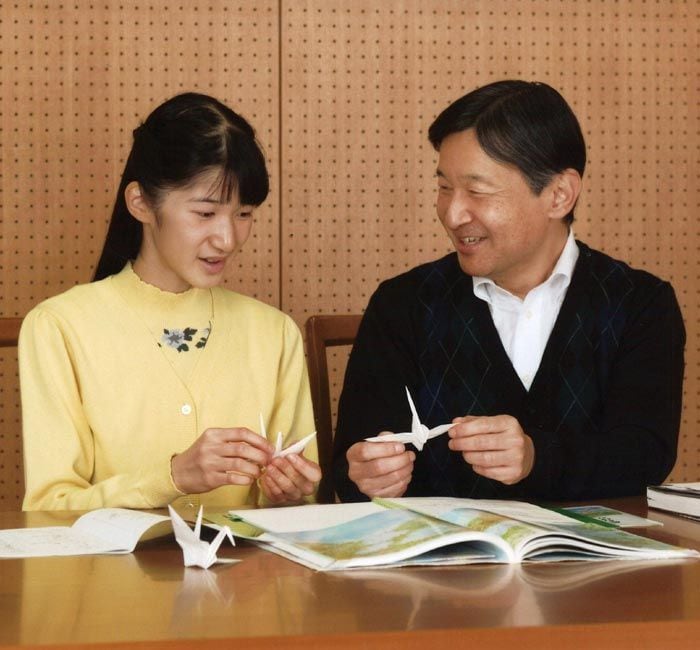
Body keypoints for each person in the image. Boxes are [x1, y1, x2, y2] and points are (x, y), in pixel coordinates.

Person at [333, 80, 685, 502]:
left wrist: (537, 456)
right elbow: (349, 466)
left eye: (477, 191)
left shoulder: (639, 304)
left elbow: (645, 457)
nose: (452, 212)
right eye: (444, 187)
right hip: (439, 566)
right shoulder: (402, 304)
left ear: (558, 195)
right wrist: (366, 475)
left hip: (590, 564)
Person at [20, 92, 320, 511]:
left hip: (249, 577)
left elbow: (301, 510)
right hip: (105, 578)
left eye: (244, 214)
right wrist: (173, 477)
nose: (228, 239)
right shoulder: (59, 326)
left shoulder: (275, 332)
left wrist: (291, 494)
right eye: (204, 213)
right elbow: (49, 508)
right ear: (141, 203)